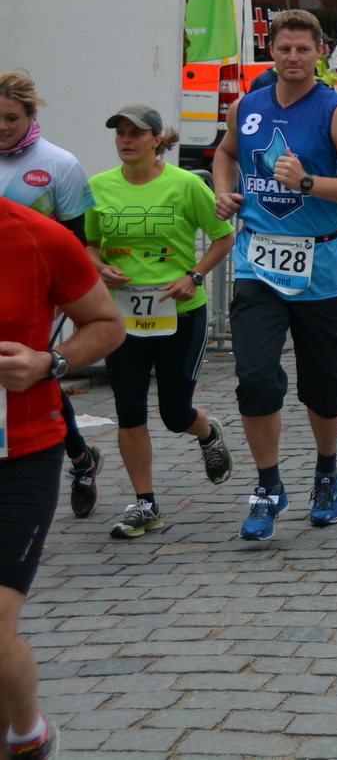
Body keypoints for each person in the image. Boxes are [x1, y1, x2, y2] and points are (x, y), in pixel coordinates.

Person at [213, 9, 337, 539]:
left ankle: (326, 471)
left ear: (319, 53)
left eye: (302, 50)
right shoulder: (248, 106)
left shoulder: (336, 113)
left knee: (324, 385)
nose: (292, 58)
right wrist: (223, 190)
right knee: (257, 378)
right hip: (256, 264)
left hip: (321, 265)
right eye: (284, 48)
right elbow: (224, 153)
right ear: (272, 51)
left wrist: (309, 183)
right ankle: (267, 484)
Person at [0, 197, 124, 760]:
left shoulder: (39, 237)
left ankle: (27, 732)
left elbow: (106, 325)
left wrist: (47, 363)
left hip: (20, 454)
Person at [84, 106, 237, 538]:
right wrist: (98, 267)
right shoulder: (98, 188)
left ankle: (207, 432)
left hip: (180, 313)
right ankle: (144, 504)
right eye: (121, 133)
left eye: (137, 133)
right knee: (128, 409)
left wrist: (194, 276)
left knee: (173, 413)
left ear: (157, 140)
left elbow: (224, 236)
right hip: (121, 317)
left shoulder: (186, 185)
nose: (126, 139)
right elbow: (91, 243)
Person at [0, 69, 105, 521]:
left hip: (45, 289)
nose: (2, 127)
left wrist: (67, 293)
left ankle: (72, 463)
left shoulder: (58, 162)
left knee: (37, 369)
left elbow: (79, 235)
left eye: (11, 118)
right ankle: (82, 457)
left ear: (30, 115)